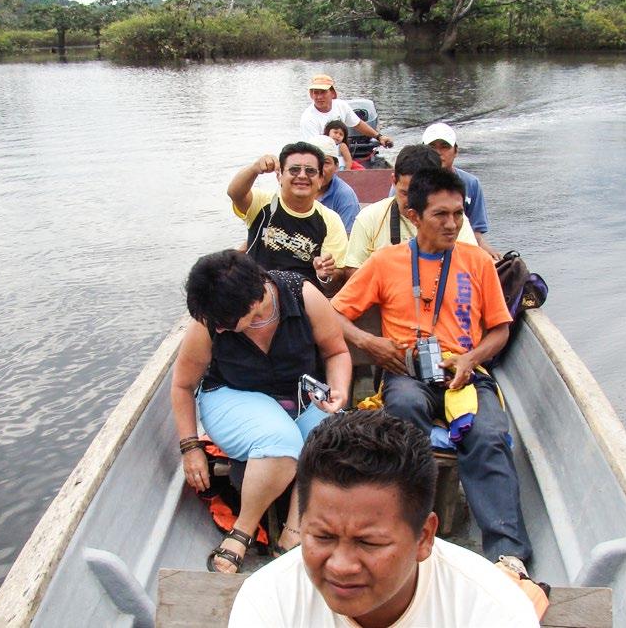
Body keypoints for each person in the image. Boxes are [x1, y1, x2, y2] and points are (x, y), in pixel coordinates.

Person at [331, 167, 533, 568]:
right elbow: (333, 313)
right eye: (441, 214)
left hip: (465, 374)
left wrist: (471, 358)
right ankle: (405, 531)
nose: (452, 224)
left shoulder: (477, 261)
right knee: (404, 414)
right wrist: (369, 343)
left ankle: (508, 555)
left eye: (458, 214)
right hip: (407, 372)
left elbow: (499, 331)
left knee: (489, 434)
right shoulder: (386, 261)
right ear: (414, 215)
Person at [229, 410, 540, 627]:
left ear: (424, 537)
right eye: (322, 536)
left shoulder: (493, 610)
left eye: (369, 542)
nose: (341, 566)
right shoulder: (268, 601)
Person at [170, 250, 351, 574]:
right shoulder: (210, 321)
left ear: (254, 302)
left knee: (333, 441)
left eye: (225, 324)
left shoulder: (302, 296)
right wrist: (190, 446)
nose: (219, 330)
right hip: (232, 396)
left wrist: (338, 390)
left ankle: (294, 531)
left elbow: (336, 351)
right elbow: (183, 385)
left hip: (298, 396)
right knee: (280, 440)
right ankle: (243, 530)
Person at [227, 141, 349, 295]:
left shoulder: (330, 220)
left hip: (301, 298)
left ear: (320, 179)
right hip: (257, 293)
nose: (302, 175)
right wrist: (254, 169)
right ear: (279, 176)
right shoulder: (262, 203)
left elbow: (335, 281)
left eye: (310, 171)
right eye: (294, 170)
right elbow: (235, 193)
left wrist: (325, 275)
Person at [344, 145, 477, 280]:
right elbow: (353, 269)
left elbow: (470, 268)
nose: (413, 202)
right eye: (405, 193)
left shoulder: (454, 222)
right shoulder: (369, 217)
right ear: (394, 181)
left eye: (421, 195)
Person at [423, 122, 501, 260]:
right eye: (432, 147)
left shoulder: (471, 183)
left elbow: (476, 232)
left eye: (445, 147)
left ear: (456, 151)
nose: (439, 153)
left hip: (460, 250)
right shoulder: (407, 184)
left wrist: (487, 252)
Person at [300, 74, 394, 148]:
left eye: (323, 92)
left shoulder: (341, 105)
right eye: (316, 93)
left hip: (340, 153)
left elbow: (358, 124)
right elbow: (314, 150)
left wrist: (379, 137)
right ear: (311, 95)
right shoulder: (308, 118)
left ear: (332, 93)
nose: (319, 97)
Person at [305, 135, 360, 234]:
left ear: (336, 166)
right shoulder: (296, 188)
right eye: (312, 162)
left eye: (326, 162)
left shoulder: (345, 196)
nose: (319, 169)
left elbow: (348, 238)